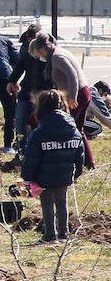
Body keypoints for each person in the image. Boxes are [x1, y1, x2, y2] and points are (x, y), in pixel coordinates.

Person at [22, 90, 84, 244]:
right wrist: (77, 172)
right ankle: (63, 235)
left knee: (47, 204)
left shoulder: (39, 132)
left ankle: (50, 236)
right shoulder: (72, 128)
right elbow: (80, 152)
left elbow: (32, 158)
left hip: (44, 176)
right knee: (62, 202)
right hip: (65, 175)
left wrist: (27, 177)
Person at [29, 33, 94, 169]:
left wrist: (72, 97)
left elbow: (72, 76)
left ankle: (75, 162)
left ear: (42, 50)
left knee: (69, 130)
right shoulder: (58, 52)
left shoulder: (57, 57)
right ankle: (88, 162)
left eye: (37, 56)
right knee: (78, 129)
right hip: (83, 93)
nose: (39, 59)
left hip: (77, 95)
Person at [8, 24, 46, 150]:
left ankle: (39, 151)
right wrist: (11, 80)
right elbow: (19, 65)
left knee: (41, 123)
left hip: (43, 93)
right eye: (29, 41)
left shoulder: (49, 49)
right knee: (20, 120)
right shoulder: (25, 48)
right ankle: (21, 151)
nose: (31, 44)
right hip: (27, 91)